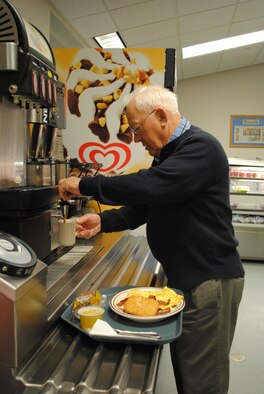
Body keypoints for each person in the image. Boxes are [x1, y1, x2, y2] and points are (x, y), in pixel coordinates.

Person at [59, 85, 245, 394]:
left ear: (159, 116)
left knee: (202, 382)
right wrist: (103, 220)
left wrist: (87, 185)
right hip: (191, 277)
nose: (135, 137)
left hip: (210, 281)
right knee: (189, 369)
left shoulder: (201, 148)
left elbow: (151, 186)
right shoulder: (171, 153)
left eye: (136, 128)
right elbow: (146, 205)